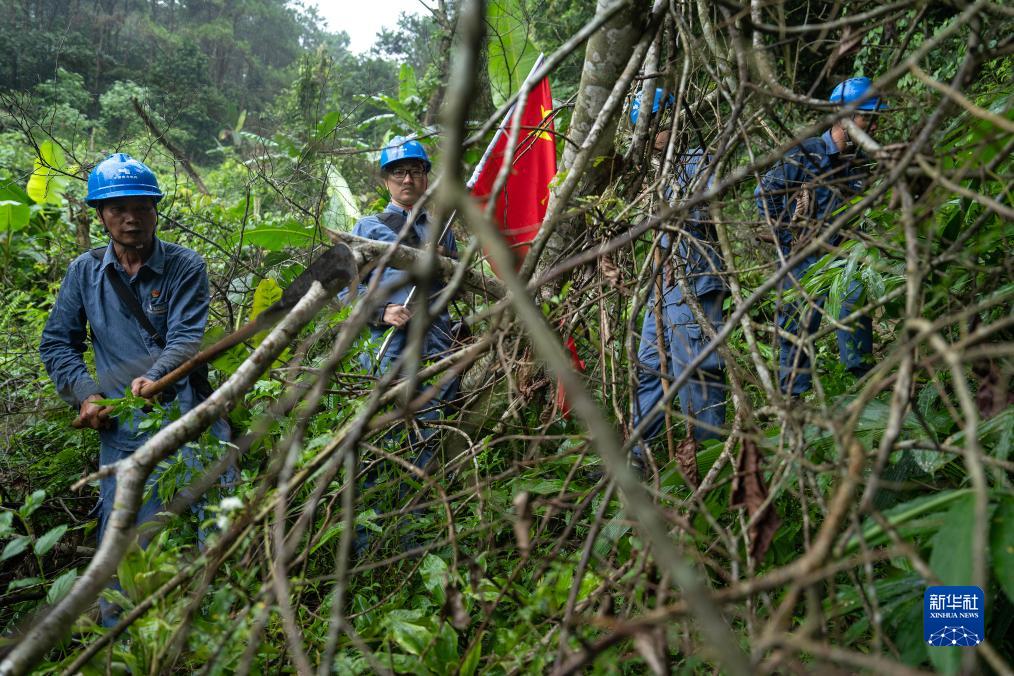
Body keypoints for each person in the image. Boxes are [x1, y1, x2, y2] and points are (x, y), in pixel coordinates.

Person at [39, 153, 228, 622]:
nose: (131, 218)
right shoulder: (84, 273)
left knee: (217, 535)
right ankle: (120, 642)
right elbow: (58, 342)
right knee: (125, 551)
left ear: (155, 210)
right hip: (124, 434)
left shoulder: (185, 265)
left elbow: (185, 339)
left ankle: (211, 634)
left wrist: (156, 375)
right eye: (118, 208)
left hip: (193, 420)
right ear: (100, 215)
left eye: (142, 207)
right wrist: (87, 394)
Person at [348, 136, 460, 548]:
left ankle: (416, 537)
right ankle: (368, 543)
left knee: (429, 436)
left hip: (437, 344)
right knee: (383, 438)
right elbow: (346, 289)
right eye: (398, 172)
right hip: (389, 350)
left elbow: (458, 282)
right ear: (386, 181)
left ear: (426, 177)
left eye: (415, 171)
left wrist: (445, 262)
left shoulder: (441, 228)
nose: (407, 179)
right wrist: (381, 312)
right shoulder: (369, 228)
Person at [755, 76, 886, 396]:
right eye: (867, 118)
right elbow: (764, 194)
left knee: (855, 314)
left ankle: (864, 392)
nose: (874, 126)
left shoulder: (861, 163)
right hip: (802, 258)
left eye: (875, 118)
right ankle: (793, 402)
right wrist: (788, 238)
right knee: (797, 332)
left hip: (845, 257)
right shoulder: (807, 153)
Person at [630, 148, 727, 476]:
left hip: (694, 281)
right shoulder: (654, 165)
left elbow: (710, 211)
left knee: (697, 372)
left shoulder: (695, 158)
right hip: (663, 288)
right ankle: (635, 458)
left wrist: (672, 210)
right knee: (650, 367)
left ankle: (708, 464)